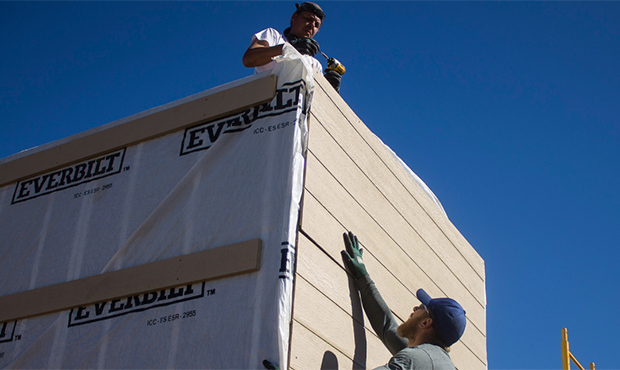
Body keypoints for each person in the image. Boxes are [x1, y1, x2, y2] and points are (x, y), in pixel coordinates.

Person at [341, 231, 467, 370]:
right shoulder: (431, 358)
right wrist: (363, 277)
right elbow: (387, 326)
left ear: (426, 323)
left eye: (420, 307)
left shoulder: (416, 360)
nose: (414, 308)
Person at [242, 2, 342, 92]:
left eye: (316, 25)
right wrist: (288, 48)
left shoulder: (315, 64)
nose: (312, 25)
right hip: (265, 104)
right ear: (294, 17)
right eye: (308, 19)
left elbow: (316, 100)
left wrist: (330, 90)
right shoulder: (273, 36)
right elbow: (249, 59)